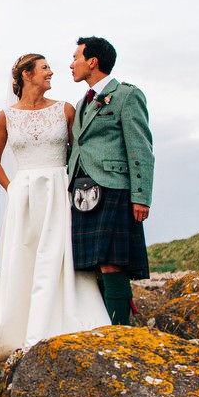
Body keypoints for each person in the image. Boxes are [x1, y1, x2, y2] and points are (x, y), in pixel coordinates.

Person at [0, 53, 109, 366]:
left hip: (58, 189)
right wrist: (12, 189)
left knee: (57, 254)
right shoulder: (5, 116)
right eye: (44, 68)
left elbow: (81, 148)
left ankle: (57, 324)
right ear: (27, 75)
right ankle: (21, 329)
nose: (51, 72)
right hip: (24, 196)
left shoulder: (64, 109)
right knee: (25, 257)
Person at [68, 36, 154, 325]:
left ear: (92, 61)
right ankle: (103, 324)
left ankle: (119, 329)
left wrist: (141, 196)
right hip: (82, 193)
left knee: (111, 262)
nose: (71, 64)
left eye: (76, 58)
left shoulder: (127, 96)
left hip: (114, 188)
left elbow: (141, 148)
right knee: (92, 265)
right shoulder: (81, 103)